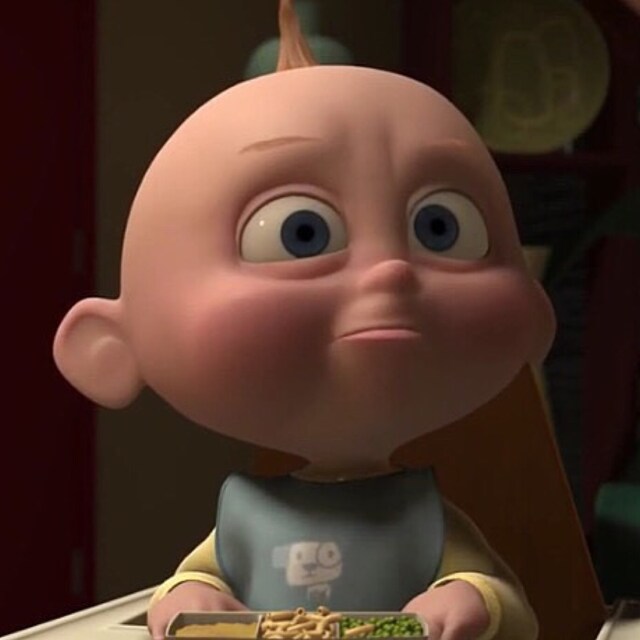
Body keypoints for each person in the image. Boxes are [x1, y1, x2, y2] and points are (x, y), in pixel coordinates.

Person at [53, 1, 555, 638]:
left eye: (441, 226)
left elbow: (507, 603)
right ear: (109, 348)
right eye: (300, 232)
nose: (391, 272)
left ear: (536, 320)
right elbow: (193, 582)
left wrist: (473, 600)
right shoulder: (247, 512)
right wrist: (188, 598)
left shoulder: (423, 515)